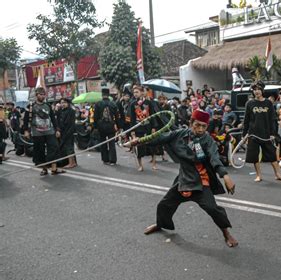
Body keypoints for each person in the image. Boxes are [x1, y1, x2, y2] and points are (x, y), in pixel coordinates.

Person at [127, 110, 238, 248]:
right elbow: (159, 138)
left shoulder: (208, 140)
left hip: (200, 179)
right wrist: (137, 142)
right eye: (198, 125)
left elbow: (215, 158)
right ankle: (161, 224)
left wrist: (225, 175)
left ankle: (226, 233)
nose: (201, 129)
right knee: (164, 204)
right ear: (191, 123)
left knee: (212, 209)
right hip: (184, 178)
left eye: (204, 126)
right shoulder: (179, 134)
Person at [243, 81, 281, 182]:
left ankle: (278, 174)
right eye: (254, 89)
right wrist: (244, 135)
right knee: (254, 156)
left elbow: (273, 119)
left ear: (262, 90)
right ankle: (259, 175)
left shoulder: (268, 103)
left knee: (272, 155)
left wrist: (273, 134)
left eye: (258, 89)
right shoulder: (249, 103)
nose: (257, 91)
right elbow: (246, 120)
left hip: (266, 134)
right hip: (253, 134)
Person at [23, 87, 64, 176]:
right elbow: (25, 120)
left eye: (43, 94)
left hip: (49, 131)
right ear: (36, 95)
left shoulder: (48, 106)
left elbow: (53, 118)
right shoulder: (30, 106)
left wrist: (57, 129)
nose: (42, 96)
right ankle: (44, 169)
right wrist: (26, 130)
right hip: (37, 133)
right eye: (40, 94)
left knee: (54, 148)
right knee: (40, 151)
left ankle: (54, 168)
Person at [130, 86, 158, 172]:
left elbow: (153, 115)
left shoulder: (148, 102)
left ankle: (154, 163)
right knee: (139, 146)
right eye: (134, 92)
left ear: (142, 92)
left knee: (151, 145)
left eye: (137, 92)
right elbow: (132, 118)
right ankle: (140, 165)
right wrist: (132, 131)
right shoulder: (133, 104)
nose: (135, 94)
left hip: (148, 126)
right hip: (138, 127)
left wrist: (154, 127)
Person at [94, 88, 119, 166]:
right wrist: (117, 125)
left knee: (103, 143)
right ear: (109, 95)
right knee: (112, 143)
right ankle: (113, 160)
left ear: (102, 95)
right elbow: (117, 116)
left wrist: (95, 127)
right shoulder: (113, 103)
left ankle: (105, 159)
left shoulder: (98, 104)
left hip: (101, 126)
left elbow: (95, 117)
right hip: (111, 126)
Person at [57, 98, 77, 168]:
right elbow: (58, 121)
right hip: (62, 131)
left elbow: (71, 123)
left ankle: (71, 163)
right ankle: (73, 162)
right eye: (61, 103)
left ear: (68, 103)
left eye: (64, 102)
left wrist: (68, 132)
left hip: (69, 131)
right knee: (67, 147)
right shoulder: (60, 111)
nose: (63, 104)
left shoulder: (71, 111)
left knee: (69, 147)